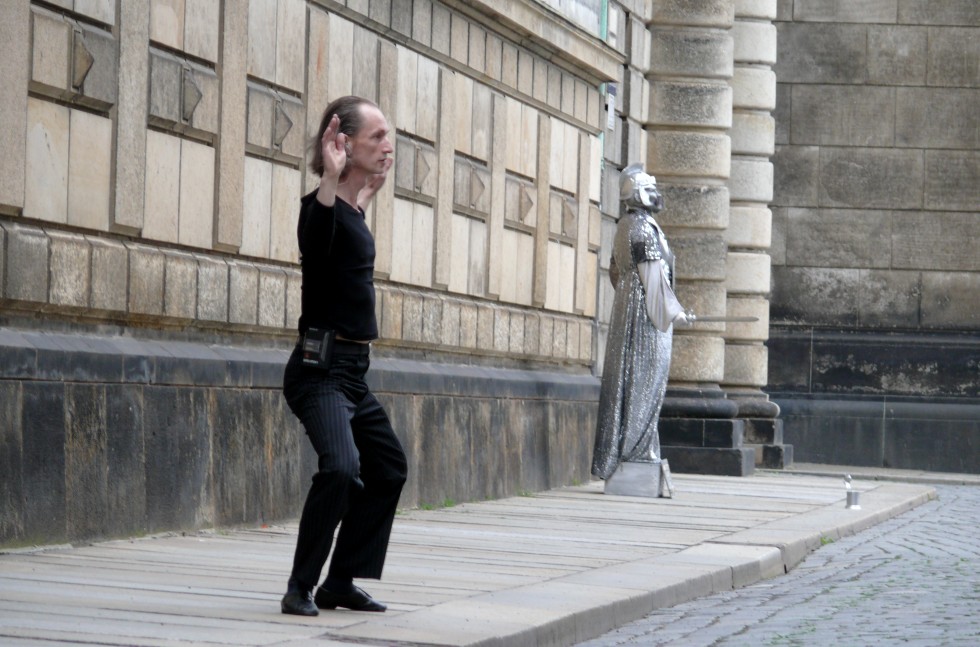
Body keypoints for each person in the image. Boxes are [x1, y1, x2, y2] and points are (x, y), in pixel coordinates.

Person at [279, 96, 407, 617]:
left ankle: (340, 582)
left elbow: (344, 251)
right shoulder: (320, 207)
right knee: (341, 468)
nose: (387, 144)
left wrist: (359, 193)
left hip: (354, 374)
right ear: (342, 143)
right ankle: (300, 587)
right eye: (376, 135)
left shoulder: (352, 209)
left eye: (387, 135)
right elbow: (316, 242)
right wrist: (333, 182)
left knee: (388, 468)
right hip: (320, 373)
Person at [592, 164, 691, 482]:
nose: (655, 190)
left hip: (631, 311)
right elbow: (654, 278)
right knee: (645, 383)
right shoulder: (643, 228)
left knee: (635, 381)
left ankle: (637, 450)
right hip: (648, 320)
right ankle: (635, 451)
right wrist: (675, 312)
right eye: (649, 186)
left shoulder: (628, 225)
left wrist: (628, 297)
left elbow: (615, 272)